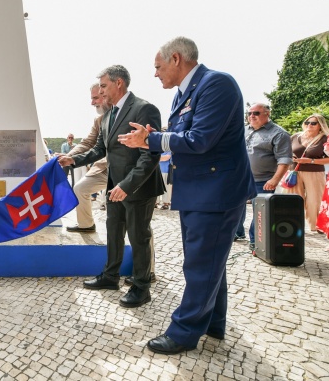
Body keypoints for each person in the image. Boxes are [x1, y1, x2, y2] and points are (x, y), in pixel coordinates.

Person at [118, 36, 256, 354]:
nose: (155, 74)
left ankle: (184, 332)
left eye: (158, 66)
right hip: (198, 192)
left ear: (177, 59)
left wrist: (151, 142)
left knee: (200, 265)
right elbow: (182, 136)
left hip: (216, 193)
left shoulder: (216, 84)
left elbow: (200, 139)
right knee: (209, 263)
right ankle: (213, 323)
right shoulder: (184, 93)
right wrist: (154, 137)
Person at [59, 65, 163, 309]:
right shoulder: (108, 116)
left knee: (139, 236)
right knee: (114, 232)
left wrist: (127, 185)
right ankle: (110, 276)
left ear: (119, 83)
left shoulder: (144, 109)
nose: (101, 91)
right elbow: (100, 150)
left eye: (104, 86)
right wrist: (74, 160)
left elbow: (151, 154)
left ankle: (141, 287)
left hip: (138, 187)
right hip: (114, 186)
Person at [236, 103, 292, 249]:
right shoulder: (243, 130)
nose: (251, 116)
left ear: (267, 114)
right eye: (249, 113)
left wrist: (275, 180)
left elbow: (284, 160)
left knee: (259, 213)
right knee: (235, 207)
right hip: (241, 178)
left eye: (256, 113)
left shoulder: (279, 133)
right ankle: (237, 232)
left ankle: (256, 241)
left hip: (263, 180)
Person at [64, 83, 109, 233]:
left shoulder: (127, 114)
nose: (92, 103)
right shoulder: (99, 120)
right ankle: (86, 224)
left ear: (106, 94)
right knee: (80, 188)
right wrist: (68, 156)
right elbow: (89, 142)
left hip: (127, 170)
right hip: (104, 168)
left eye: (95, 98)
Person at [282, 114, 329, 233]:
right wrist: (290, 157)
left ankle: (316, 226)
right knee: (293, 200)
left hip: (314, 172)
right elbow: (284, 151)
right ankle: (293, 225)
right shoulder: (295, 136)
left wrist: (311, 161)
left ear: (320, 125)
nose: (309, 125)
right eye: (308, 122)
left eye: (313, 123)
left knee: (314, 200)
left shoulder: (325, 138)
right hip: (294, 172)